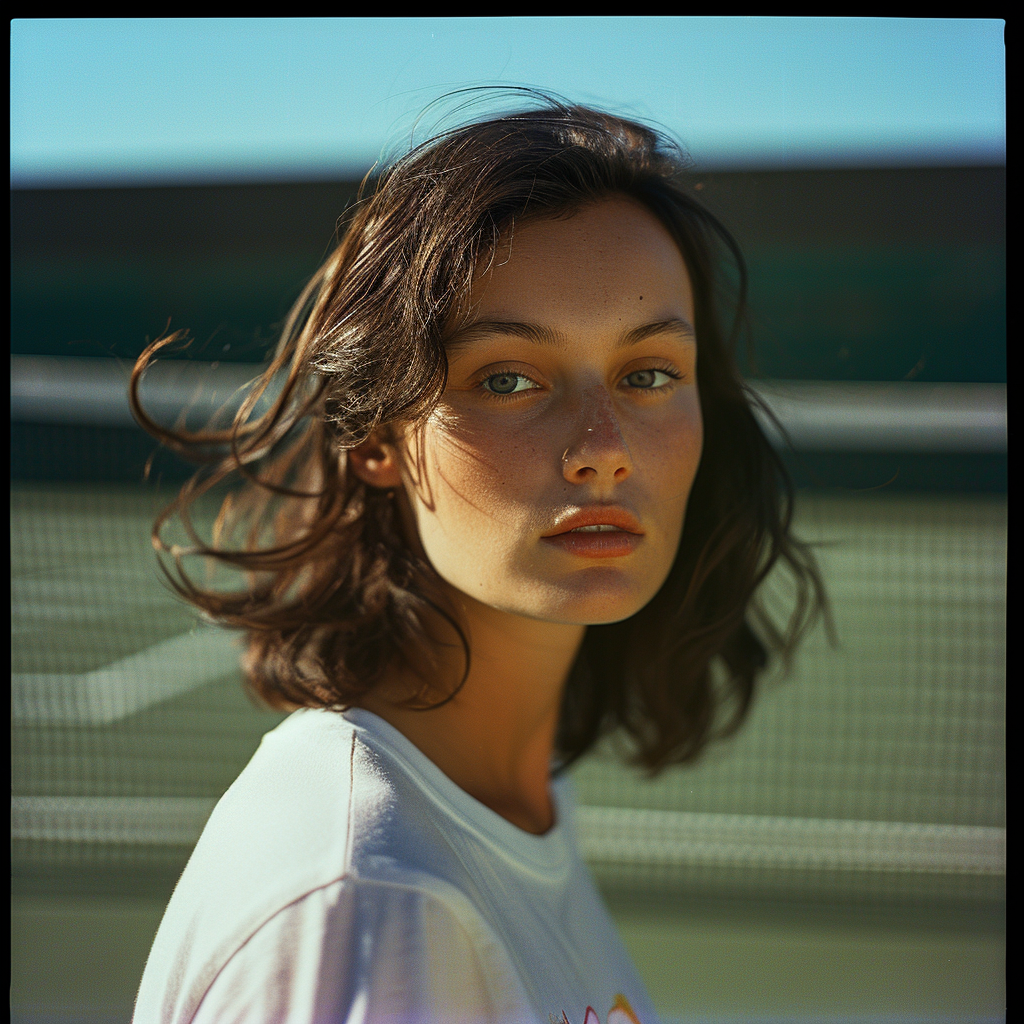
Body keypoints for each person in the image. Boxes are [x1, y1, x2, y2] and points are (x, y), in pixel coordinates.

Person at [130, 95, 828, 1024]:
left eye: (649, 373)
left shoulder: (507, 803)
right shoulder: (372, 895)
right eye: (507, 379)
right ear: (376, 434)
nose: (602, 446)